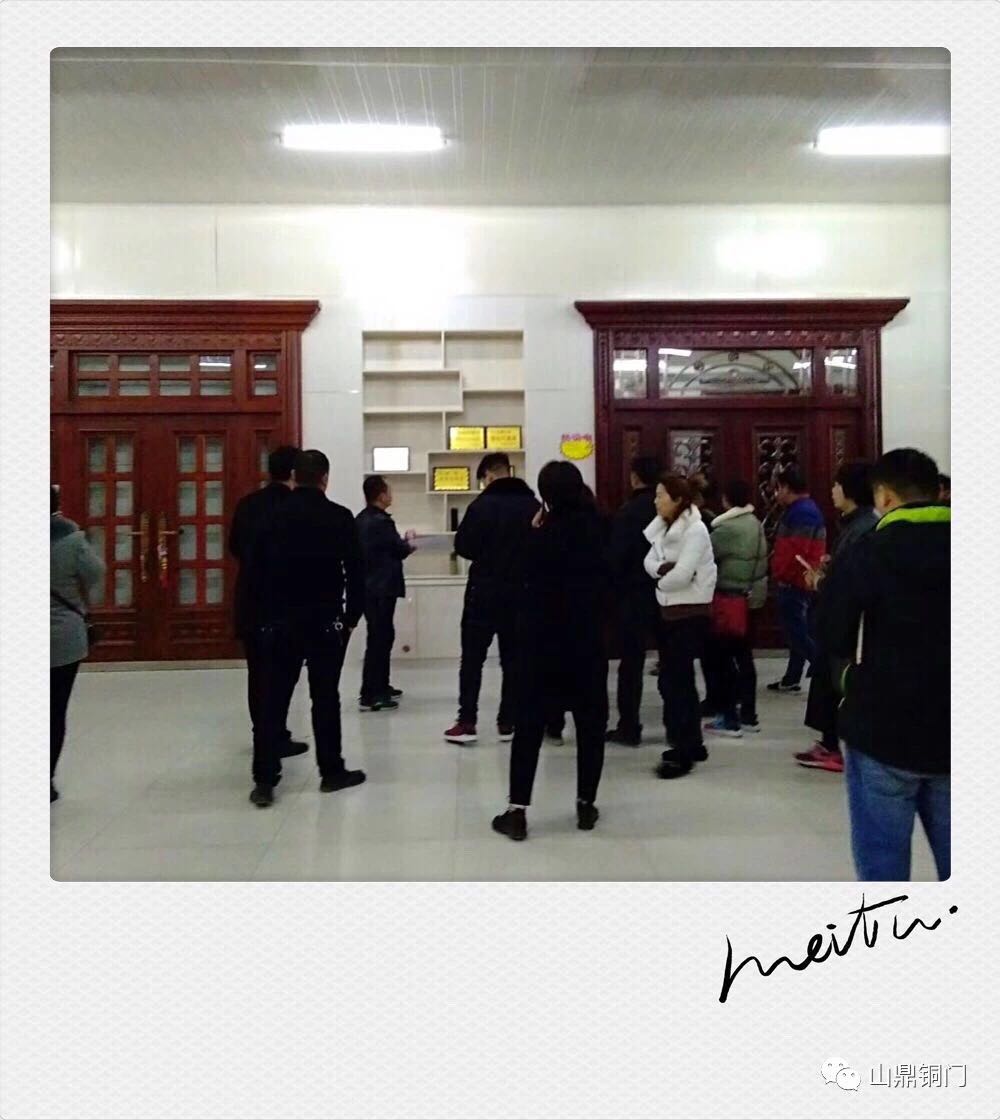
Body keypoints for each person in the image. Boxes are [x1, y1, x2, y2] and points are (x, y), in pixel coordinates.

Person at [825, 449, 950, 881]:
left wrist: (848, 681)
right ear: (937, 492)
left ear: (883, 497)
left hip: (884, 727)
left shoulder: (868, 551)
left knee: (883, 869)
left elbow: (831, 632)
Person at [492, 462, 609, 841]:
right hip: (587, 645)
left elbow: (517, 584)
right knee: (590, 727)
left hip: (540, 647)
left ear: (545, 494)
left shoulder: (537, 536)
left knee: (528, 728)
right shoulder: (599, 531)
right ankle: (585, 805)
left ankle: (517, 812)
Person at [249, 450, 366, 807]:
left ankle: (265, 781)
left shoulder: (272, 516)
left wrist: (262, 617)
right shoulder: (339, 517)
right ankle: (331, 771)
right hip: (324, 620)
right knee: (325, 697)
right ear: (325, 478)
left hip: (280, 620)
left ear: (294, 476)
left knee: (273, 699)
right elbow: (356, 572)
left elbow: (256, 570)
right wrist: (351, 618)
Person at [444, 451, 540, 745]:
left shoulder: (480, 506)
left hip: (483, 593)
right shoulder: (533, 506)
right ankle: (507, 721)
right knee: (513, 659)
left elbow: (464, 546)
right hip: (521, 593)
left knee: (472, 659)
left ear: (488, 476)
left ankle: (467, 721)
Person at [795, 461, 879, 773]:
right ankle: (828, 743)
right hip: (834, 619)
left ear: (850, 489)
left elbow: (850, 584)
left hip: (844, 623)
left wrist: (820, 581)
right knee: (825, 680)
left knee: (836, 684)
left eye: (836, 484)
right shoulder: (855, 525)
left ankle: (836, 747)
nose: (832, 490)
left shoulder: (862, 528)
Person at [228, 446, 308, 760]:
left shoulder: (248, 504)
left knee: (258, 673)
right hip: (287, 604)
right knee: (285, 672)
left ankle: (262, 734)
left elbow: (235, 547)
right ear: (294, 473)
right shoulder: (298, 507)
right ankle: (276, 733)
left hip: (251, 600)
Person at [644, 474, 718, 779]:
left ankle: (681, 749)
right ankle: (692, 742)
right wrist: (664, 571)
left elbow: (684, 573)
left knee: (676, 683)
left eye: (661, 495)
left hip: (690, 613)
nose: (656, 500)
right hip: (669, 611)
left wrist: (661, 581)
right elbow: (649, 562)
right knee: (676, 680)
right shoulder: (663, 526)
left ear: (677, 500)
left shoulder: (695, 529)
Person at [700, 480, 768, 738]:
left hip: (728, 600)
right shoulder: (755, 523)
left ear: (726, 500)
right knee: (745, 659)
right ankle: (748, 715)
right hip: (750, 600)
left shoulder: (726, 529)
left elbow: (704, 555)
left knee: (723, 661)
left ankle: (728, 719)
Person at [50, 484, 105, 802]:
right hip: (63, 637)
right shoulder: (72, 540)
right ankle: (45, 779)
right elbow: (95, 573)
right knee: (54, 709)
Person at [606, 455, 661, 747]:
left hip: (634, 595)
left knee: (631, 664)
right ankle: (678, 726)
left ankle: (629, 726)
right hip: (670, 593)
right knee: (674, 664)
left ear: (635, 477)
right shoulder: (671, 510)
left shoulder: (628, 512)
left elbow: (616, 557)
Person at [356, 475, 416, 712]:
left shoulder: (361, 520)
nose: (391, 496)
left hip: (368, 587)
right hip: (382, 588)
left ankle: (380, 685)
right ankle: (372, 693)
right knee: (380, 639)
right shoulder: (381, 522)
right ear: (381, 495)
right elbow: (398, 549)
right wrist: (409, 542)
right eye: (389, 492)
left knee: (379, 636)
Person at [767, 466, 826, 693]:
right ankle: (792, 677)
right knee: (799, 631)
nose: (776, 494)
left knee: (797, 633)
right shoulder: (801, 510)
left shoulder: (802, 513)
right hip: (799, 580)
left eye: (777, 489)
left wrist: (782, 575)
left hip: (795, 581)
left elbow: (797, 553)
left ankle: (823, 669)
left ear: (786, 488)